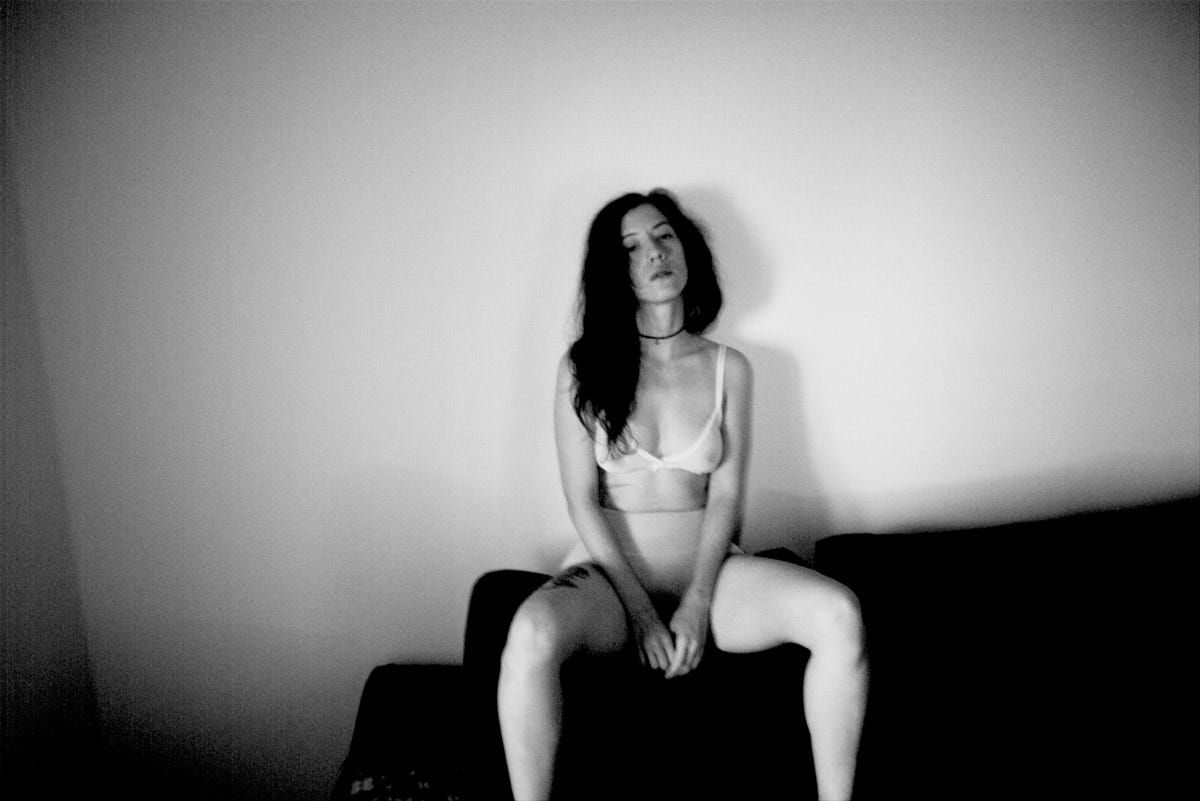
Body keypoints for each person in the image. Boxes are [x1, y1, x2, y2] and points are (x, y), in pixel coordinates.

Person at [497, 189, 868, 801]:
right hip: (610, 580)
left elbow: (726, 497)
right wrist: (642, 612)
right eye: (631, 247)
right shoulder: (582, 368)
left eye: (665, 236)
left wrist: (696, 602)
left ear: (687, 249)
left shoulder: (730, 368)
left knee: (840, 615)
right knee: (530, 634)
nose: (654, 253)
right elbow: (581, 500)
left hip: (710, 572)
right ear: (613, 271)